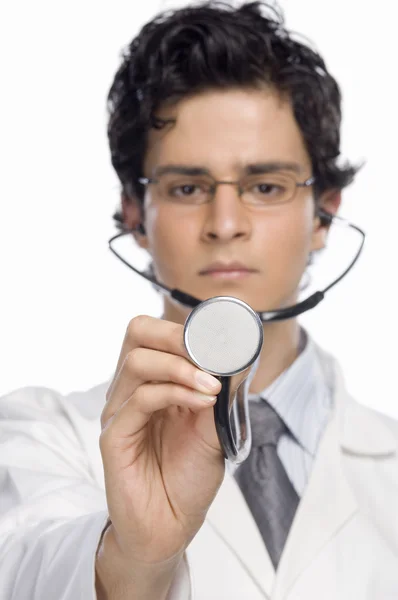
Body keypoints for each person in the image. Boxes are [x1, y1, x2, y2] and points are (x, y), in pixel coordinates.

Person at [1, 1, 397, 599]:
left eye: (266, 186)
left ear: (323, 215)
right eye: (188, 187)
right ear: (136, 214)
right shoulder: (44, 437)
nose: (226, 222)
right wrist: (135, 562)